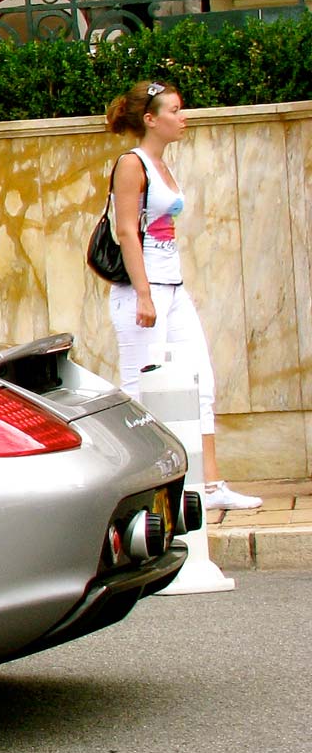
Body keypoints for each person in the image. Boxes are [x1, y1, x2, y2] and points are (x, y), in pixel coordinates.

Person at [102, 81, 260, 512]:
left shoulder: (162, 164)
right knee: (140, 390)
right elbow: (125, 231)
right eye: (173, 110)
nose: (182, 116)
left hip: (173, 287)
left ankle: (209, 487)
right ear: (150, 119)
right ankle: (134, 492)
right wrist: (143, 295)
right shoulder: (131, 164)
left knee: (200, 383)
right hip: (142, 291)